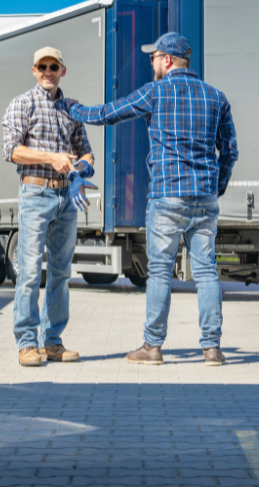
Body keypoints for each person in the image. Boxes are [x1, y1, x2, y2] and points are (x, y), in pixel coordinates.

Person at [60, 33, 238, 366]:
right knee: (207, 272)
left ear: (167, 60)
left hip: (167, 197)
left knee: (159, 273)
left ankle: (152, 347)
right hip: (204, 198)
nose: (150, 62)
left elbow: (108, 113)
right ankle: (212, 349)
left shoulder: (154, 92)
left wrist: (74, 109)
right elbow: (229, 152)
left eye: (153, 56)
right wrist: (217, 186)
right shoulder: (217, 97)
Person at [2, 46, 97, 367]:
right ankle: (26, 343)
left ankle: (52, 342)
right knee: (29, 272)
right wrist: (51, 157)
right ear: (34, 70)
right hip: (35, 194)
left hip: (66, 198)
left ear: (62, 70)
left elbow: (86, 152)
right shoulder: (22, 104)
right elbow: (12, 151)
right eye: (41, 66)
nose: (47, 71)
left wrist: (80, 171)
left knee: (61, 273)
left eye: (53, 66)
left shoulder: (72, 109)